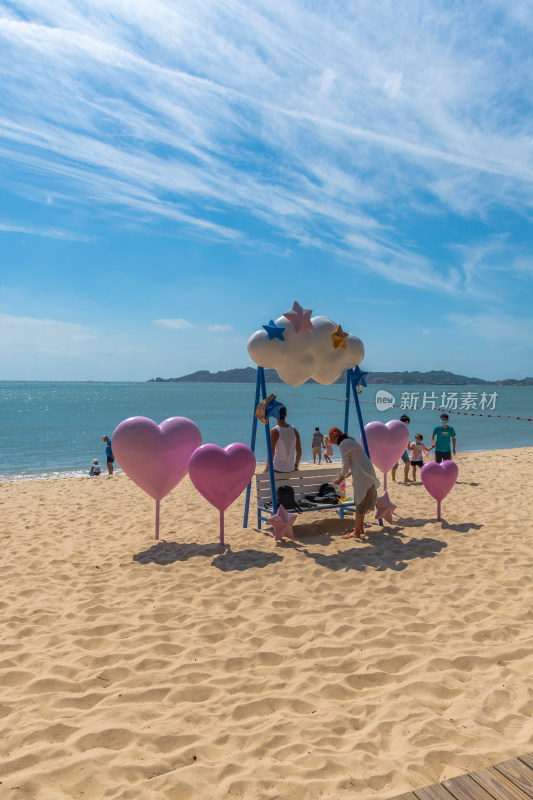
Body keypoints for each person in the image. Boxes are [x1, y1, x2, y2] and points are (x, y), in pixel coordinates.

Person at [329, 426, 380, 540]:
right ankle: (360, 528)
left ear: (335, 437)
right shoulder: (350, 440)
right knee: (361, 498)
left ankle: (357, 532)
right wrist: (350, 472)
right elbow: (357, 458)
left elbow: (346, 463)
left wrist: (341, 478)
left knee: (360, 499)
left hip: (361, 472)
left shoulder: (343, 444)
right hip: (366, 468)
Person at [267, 406, 302, 473]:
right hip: (290, 469)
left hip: (277, 468)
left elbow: (271, 452)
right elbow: (299, 452)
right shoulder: (294, 430)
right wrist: (296, 466)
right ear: (285, 415)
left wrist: (267, 468)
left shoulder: (274, 431)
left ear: (275, 416)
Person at [391, 414, 411, 483]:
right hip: (395, 449)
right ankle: (393, 479)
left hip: (402, 449)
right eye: (406, 423)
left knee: (407, 462)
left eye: (407, 423)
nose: (407, 424)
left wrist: (408, 446)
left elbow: (407, 438)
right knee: (395, 464)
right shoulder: (396, 429)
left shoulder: (406, 429)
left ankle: (406, 478)